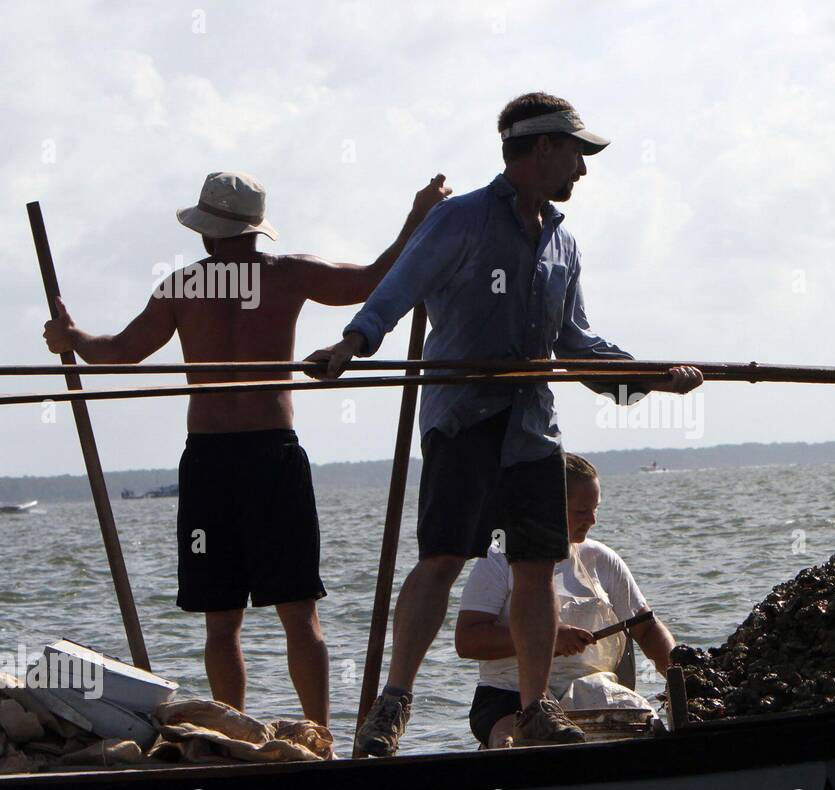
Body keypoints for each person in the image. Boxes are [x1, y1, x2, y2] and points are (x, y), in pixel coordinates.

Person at [307, 92, 703, 754]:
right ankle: (394, 704)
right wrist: (350, 346)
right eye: (578, 153)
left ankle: (535, 704)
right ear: (544, 148)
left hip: (532, 429)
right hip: (463, 419)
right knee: (441, 558)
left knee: (534, 564)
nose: (583, 169)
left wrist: (652, 377)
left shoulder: (563, 241)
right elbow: (396, 291)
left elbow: (575, 346)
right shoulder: (459, 222)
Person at [42, 169, 451, 730]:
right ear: (257, 230)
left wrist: (73, 338)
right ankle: (318, 736)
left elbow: (117, 352)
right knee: (297, 614)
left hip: (216, 459)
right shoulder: (285, 274)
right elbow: (373, 280)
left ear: (206, 233)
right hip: (267, 458)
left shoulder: (185, 285)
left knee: (225, 620)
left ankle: (243, 732)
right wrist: (416, 218)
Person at [456, 453, 675, 748]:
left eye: (595, 509)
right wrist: (547, 639)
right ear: (551, 507)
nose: (593, 520)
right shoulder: (499, 557)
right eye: (582, 511)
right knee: (509, 741)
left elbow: (646, 630)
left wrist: (683, 679)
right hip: (508, 693)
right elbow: (467, 640)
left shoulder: (603, 560)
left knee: (648, 726)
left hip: (593, 687)